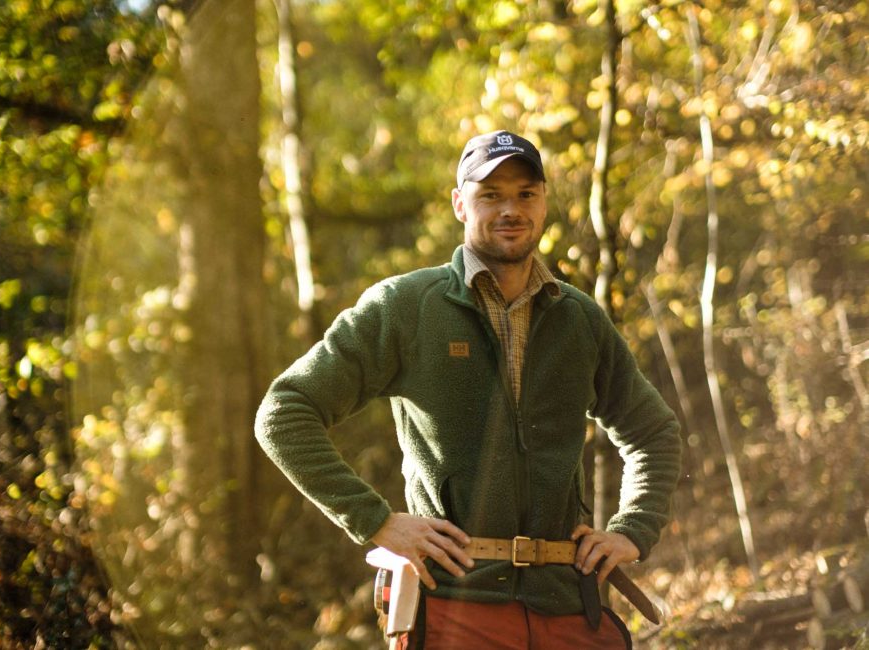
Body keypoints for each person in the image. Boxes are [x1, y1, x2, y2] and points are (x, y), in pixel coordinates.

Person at [255, 130, 681, 649]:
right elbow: (284, 411)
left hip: (570, 605)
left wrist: (633, 530)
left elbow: (653, 431)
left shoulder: (579, 319)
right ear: (461, 203)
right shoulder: (405, 306)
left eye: (526, 193)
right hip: (454, 607)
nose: (511, 209)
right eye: (490, 195)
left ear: (544, 202)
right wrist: (376, 521)